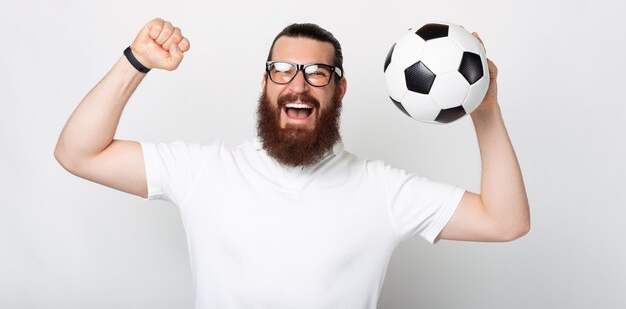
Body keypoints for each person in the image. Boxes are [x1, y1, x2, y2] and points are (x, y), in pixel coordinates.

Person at [54, 18, 530, 308]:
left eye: (317, 73)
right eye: (282, 70)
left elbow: (505, 221)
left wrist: (485, 110)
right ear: (265, 85)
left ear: (339, 90)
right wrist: (135, 61)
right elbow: (78, 153)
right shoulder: (203, 171)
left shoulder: (382, 190)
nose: (298, 85)